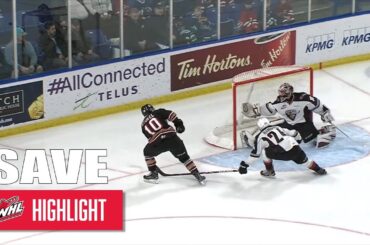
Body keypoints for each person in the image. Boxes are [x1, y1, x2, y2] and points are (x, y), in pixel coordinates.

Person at [242, 82, 336, 148]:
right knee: (271, 131)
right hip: (289, 125)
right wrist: (255, 112)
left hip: (305, 125)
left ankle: (327, 132)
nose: (281, 96)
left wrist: (325, 112)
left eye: (283, 94)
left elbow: (317, 105)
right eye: (280, 94)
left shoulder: (303, 98)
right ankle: (254, 141)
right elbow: (267, 110)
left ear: (290, 93)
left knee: (313, 141)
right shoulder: (277, 103)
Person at [140, 104, 206, 185]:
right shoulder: (158, 112)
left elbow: (150, 140)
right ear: (152, 109)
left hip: (158, 143)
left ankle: (153, 173)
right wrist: (178, 124)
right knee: (185, 158)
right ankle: (198, 175)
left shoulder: (143, 125)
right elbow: (172, 115)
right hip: (173, 139)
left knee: (147, 152)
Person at [238, 117, 327, 177]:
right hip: (295, 148)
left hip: (283, 154)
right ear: (269, 123)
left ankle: (269, 171)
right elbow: (294, 132)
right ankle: (319, 170)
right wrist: (298, 141)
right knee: (306, 162)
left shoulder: (260, 137)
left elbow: (255, 155)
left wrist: (244, 165)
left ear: (259, 127)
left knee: (265, 151)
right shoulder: (279, 128)